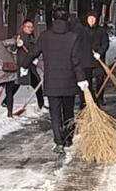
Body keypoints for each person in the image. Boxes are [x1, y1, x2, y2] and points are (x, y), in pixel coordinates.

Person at [29, 9, 88, 153]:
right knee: (68, 112)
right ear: (67, 19)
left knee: (55, 114)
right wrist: (81, 79)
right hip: (69, 82)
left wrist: (25, 65)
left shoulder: (45, 36)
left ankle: (59, 142)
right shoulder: (73, 37)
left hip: (52, 82)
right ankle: (68, 138)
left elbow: (33, 53)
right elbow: (76, 61)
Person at [16, 18, 44, 109]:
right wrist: (17, 43)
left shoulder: (32, 37)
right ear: (23, 27)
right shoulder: (19, 36)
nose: (30, 29)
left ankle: (41, 104)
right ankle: (5, 101)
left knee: (37, 83)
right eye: (28, 27)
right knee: (16, 84)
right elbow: (13, 45)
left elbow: (34, 50)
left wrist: (35, 58)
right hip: (22, 65)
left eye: (32, 27)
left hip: (30, 64)